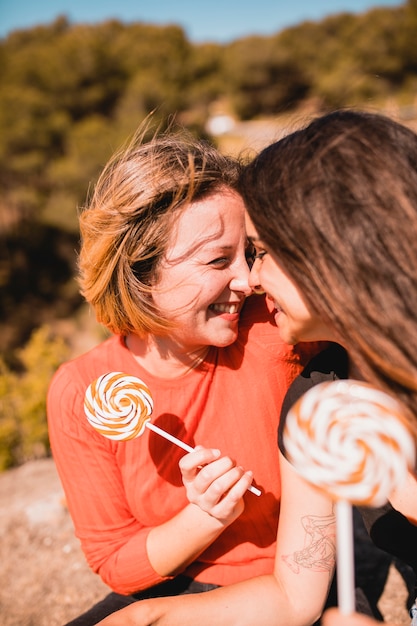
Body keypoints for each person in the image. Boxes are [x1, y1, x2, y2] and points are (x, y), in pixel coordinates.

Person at [95, 109, 417, 626]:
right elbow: (296, 596)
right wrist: (145, 619)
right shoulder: (318, 402)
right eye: (230, 258)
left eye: (260, 252)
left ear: (335, 248)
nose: (253, 280)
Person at [47, 126, 320, 625]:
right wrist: (204, 518)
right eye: (219, 259)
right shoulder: (81, 391)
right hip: (170, 590)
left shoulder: (273, 325)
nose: (248, 279)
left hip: (298, 585)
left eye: (251, 253)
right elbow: (115, 562)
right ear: (140, 273)